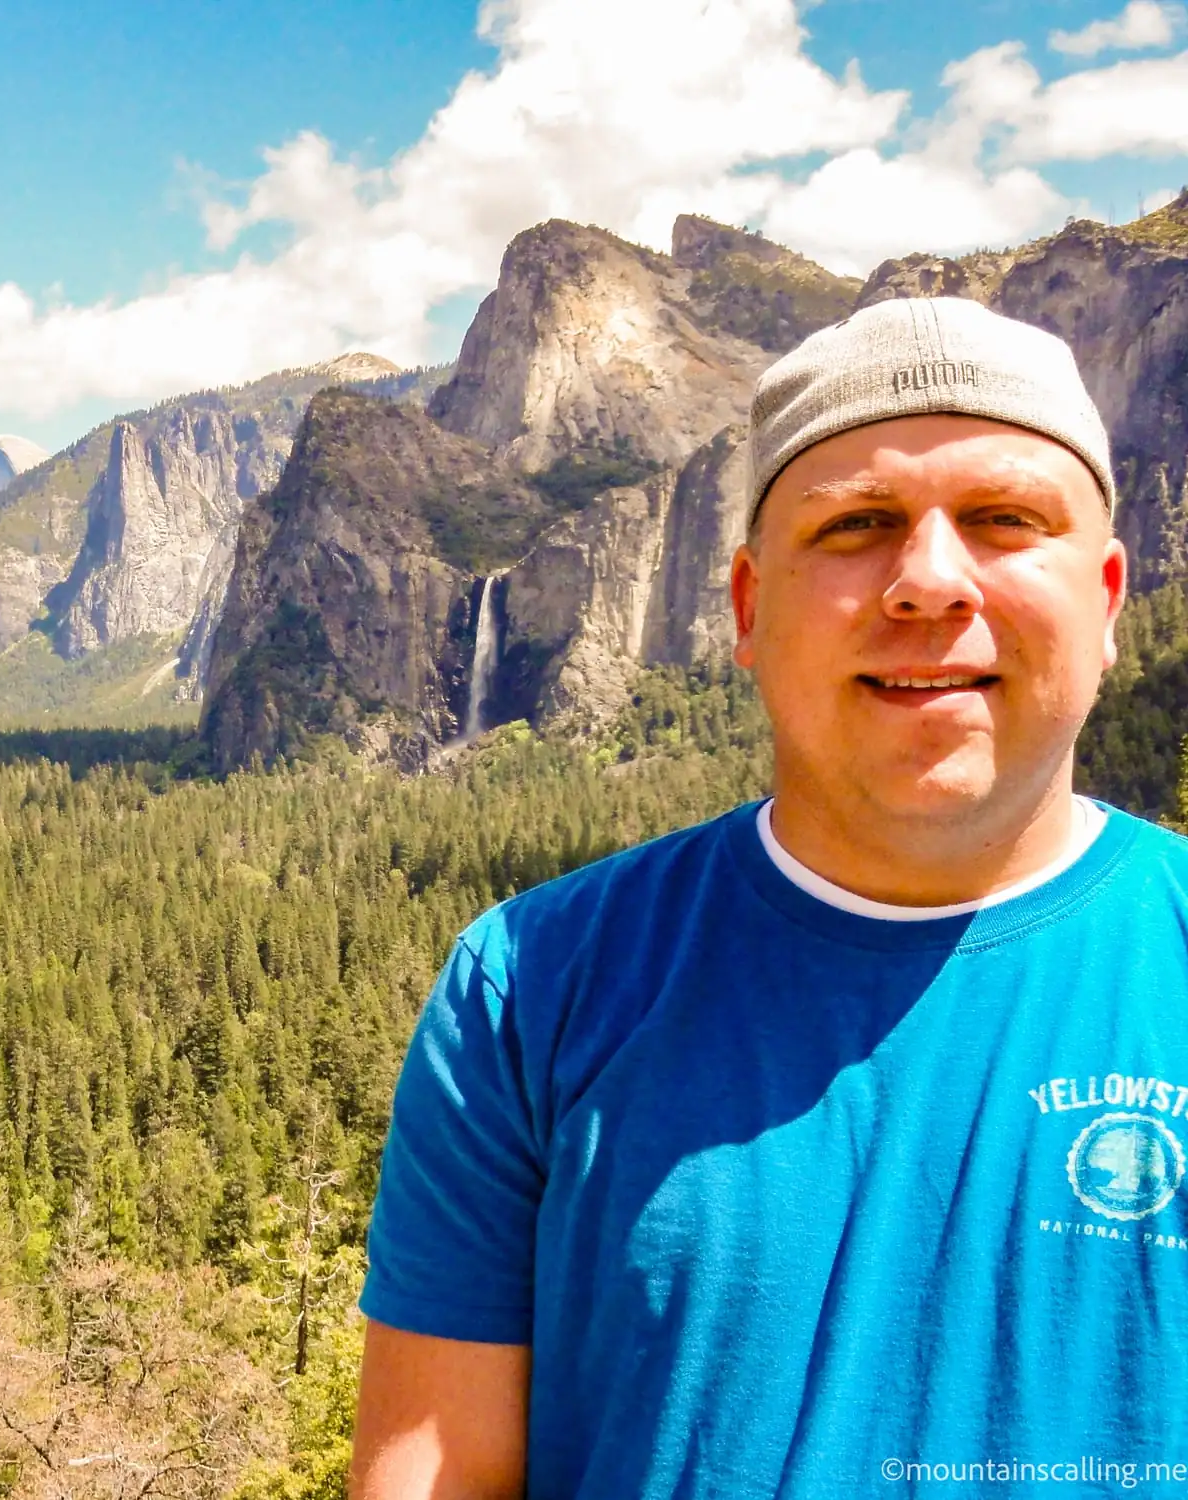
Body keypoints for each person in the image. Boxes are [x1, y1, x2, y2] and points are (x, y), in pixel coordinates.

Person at [348, 297, 1188, 1498]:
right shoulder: (524, 987)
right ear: (744, 608)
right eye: (855, 526)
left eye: (1003, 520)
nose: (927, 582)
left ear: (1106, 599)